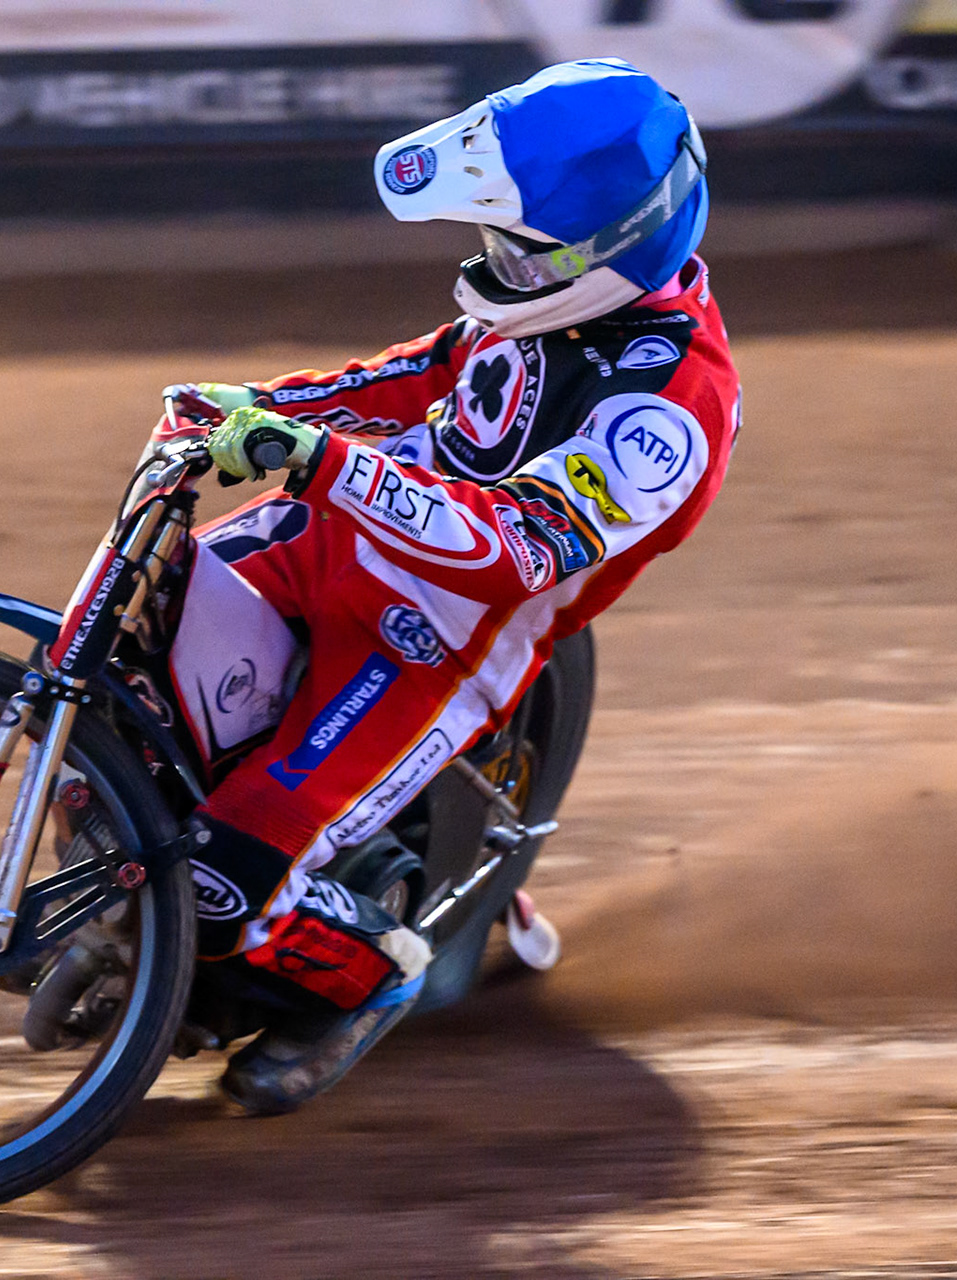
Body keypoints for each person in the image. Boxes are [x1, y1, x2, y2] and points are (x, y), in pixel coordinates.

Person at [168, 59, 741, 1114]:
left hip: (435, 635)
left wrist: (317, 458)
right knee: (135, 634)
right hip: (335, 538)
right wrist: (259, 406)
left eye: (520, 255)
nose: (493, 271)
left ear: (607, 251)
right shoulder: (541, 305)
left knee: (220, 876)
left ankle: (373, 965)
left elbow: (507, 549)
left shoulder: (668, 411)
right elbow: (421, 374)